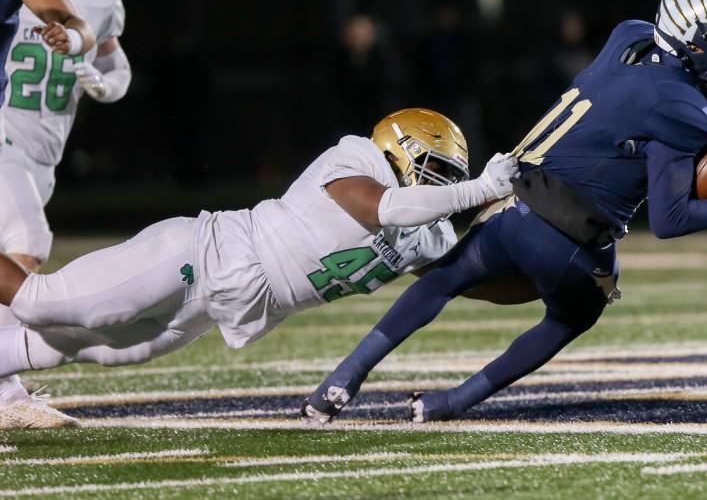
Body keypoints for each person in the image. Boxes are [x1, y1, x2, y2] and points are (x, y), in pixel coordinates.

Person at [302, 0, 707, 425]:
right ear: (694, 42)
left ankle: (342, 379)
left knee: (445, 278)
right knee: (571, 318)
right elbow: (670, 219)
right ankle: (451, 403)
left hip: (509, 206)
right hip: (569, 244)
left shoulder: (630, 37)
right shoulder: (688, 110)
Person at [0, 108, 517, 428]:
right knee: (37, 302)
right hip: (202, 256)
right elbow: (381, 209)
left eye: (447, 179)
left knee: (79, 347)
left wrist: (570, 278)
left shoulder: (427, 235)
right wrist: (481, 190)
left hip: (225, 307)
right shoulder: (357, 159)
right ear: (398, 150)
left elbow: (474, 282)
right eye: (433, 172)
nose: (438, 187)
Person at [0, 0, 96, 427]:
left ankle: (6, 390)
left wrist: (71, 33)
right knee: (27, 240)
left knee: (23, 244)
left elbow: (67, 16)